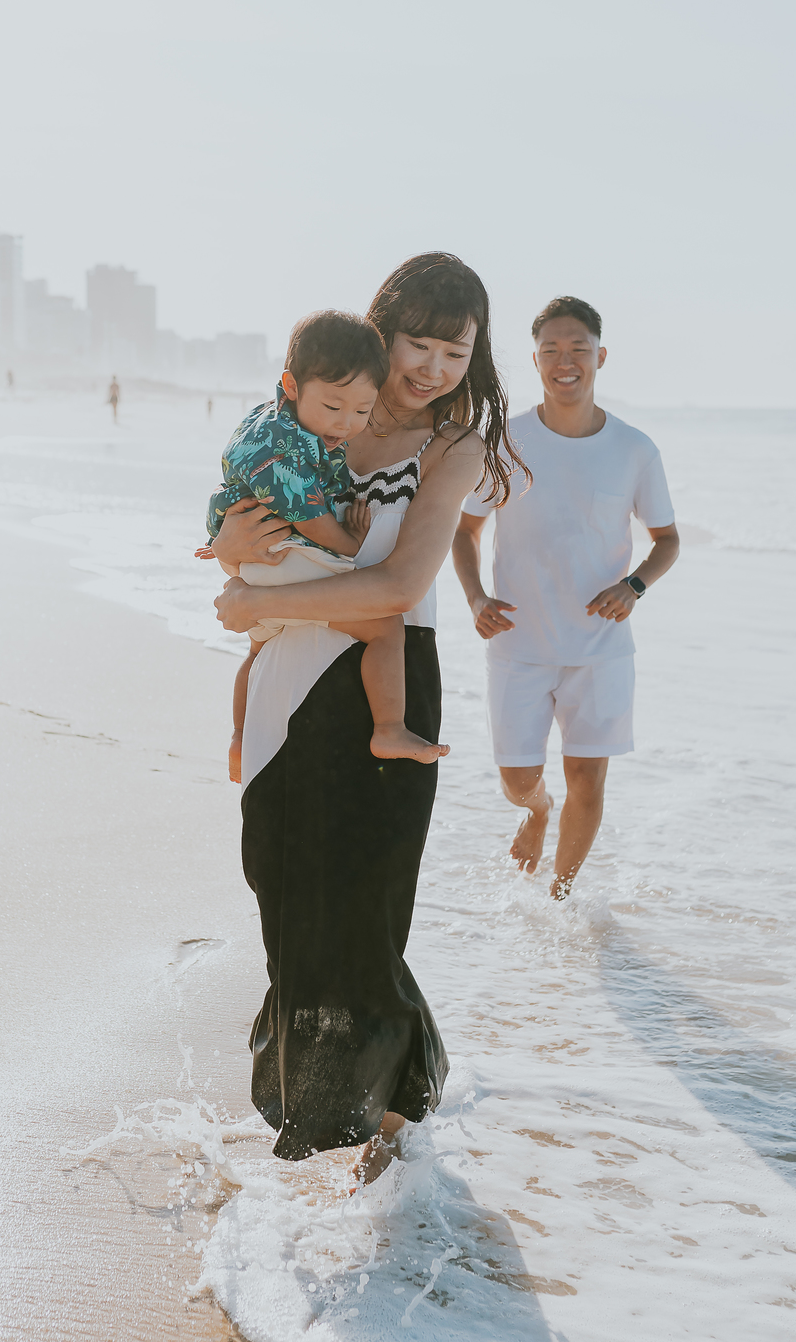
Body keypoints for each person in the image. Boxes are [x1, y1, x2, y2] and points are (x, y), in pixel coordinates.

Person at [210, 253, 518, 1180]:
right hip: (284, 678)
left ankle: (382, 1130)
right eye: (415, 344)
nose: (430, 367)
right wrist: (227, 557)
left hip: (386, 684)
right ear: (379, 331)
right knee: (282, 888)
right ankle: (330, 1108)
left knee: (364, 910)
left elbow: (398, 583)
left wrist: (248, 603)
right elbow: (245, 522)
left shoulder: (455, 446)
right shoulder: (318, 412)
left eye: (453, 351)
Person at [451, 295, 679, 900]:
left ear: (600, 356)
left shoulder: (634, 449)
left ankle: (561, 897)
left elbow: (667, 540)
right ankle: (536, 812)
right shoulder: (505, 440)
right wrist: (475, 599)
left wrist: (634, 587)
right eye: (551, 350)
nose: (565, 360)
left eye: (578, 348)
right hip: (519, 644)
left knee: (588, 777)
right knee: (517, 780)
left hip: (601, 650)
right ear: (535, 361)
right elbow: (464, 530)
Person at [206, 311, 450, 782]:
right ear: (291, 386)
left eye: (362, 411)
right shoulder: (281, 443)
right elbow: (309, 516)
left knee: (258, 652)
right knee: (384, 628)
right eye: (335, 408)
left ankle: (238, 738)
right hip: (283, 558)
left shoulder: (270, 420)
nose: (347, 424)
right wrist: (350, 545)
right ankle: (390, 728)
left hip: (262, 562)